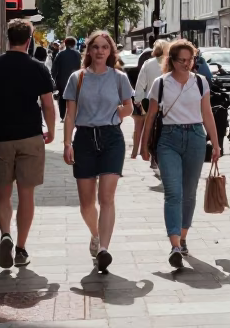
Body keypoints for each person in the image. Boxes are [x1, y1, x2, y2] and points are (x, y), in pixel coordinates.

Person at [0, 19, 56, 270]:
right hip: (30, 136)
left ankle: (5, 233)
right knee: (26, 194)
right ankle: (20, 248)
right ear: (29, 41)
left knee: (2, 193)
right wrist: (51, 130)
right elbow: (48, 105)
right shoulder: (39, 68)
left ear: (7, 38)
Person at [141, 39, 221, 270]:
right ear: (172, 61)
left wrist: (215, 145)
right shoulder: (161, 83)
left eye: (190, 60)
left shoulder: (200, 82)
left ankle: (183, 236)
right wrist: (144, 145)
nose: (187, 64)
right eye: (182, 60)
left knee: (189, 192)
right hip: (168, 139)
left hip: (196, 137)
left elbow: (207, 113)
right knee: (173, 193)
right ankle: (175, 245)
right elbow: (151, 116)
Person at [62, 31, 134, 274]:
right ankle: (95, 235)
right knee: (86, 203)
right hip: (83, 139)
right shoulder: (77, 78)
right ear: (89, 51)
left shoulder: (119, 78)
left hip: (112, 138)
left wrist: (117, 113)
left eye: (105, 47)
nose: (100, 51)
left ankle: (103, 248)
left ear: (110, 51)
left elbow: (129, 107)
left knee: (106, 198)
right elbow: (70, 114)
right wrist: (67, 143)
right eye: (96, 47)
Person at [132, 40, 168, 158]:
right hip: (168, 101)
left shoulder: (148, 64)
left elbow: (140, 84)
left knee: (150, 126)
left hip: (151, 100)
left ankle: (148, 149)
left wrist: (138, 100)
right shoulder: (171, 63)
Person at [51, 36, 82, 120]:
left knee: (62, 98)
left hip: (62, 80)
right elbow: (80, 68)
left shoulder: (60, 54)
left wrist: (53, 79)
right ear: (74, 44)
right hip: (75, 80)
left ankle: (62, 115)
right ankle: (73, 114)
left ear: (65, 43)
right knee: (74, 98)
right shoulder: (78, 54)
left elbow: (54, 68)